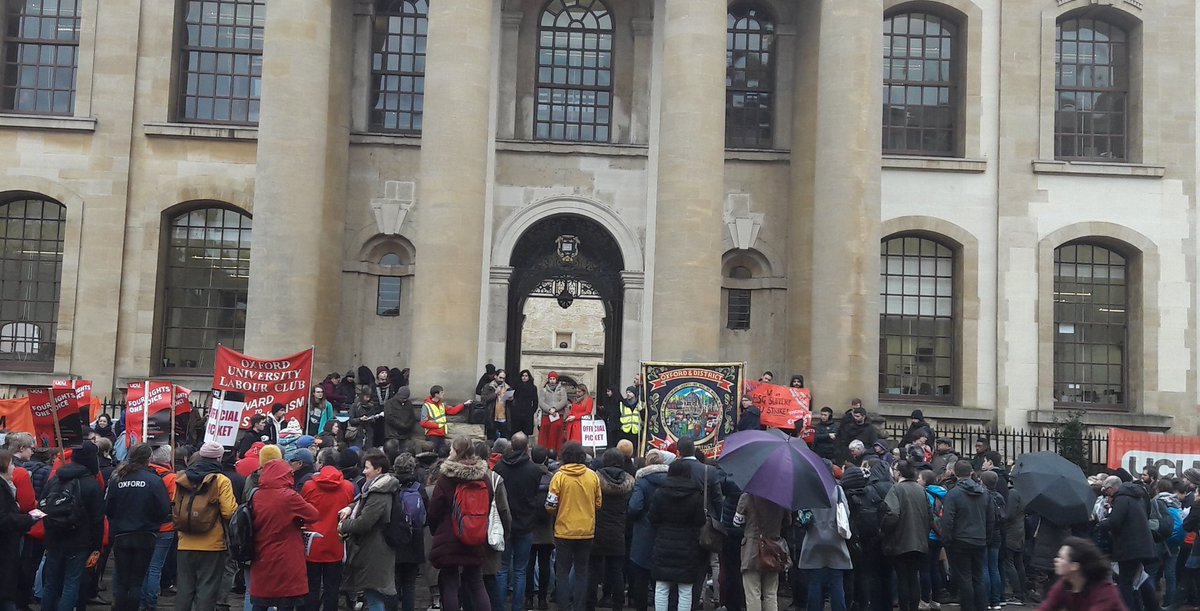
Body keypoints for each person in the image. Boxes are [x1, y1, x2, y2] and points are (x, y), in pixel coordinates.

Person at [428, 437, 493, 611]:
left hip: (449, 536)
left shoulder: (446, 478)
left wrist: (437, 531)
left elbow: (434, 510)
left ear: (457, 452)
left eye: (451, 450)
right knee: (477, 582)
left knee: (450, 583)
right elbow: (489, 502)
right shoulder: (484, 477)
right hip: (475, 534)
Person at [105, 443, 171, 611]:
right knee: (136, 580)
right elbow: (164, 509)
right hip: (145, 534)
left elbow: (109, 508)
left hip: (121, 534)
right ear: (149, 459)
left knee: (122, 579)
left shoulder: (118, 478)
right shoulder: (154, 480)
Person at [174, 441, 239, 611]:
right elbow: (229, 511)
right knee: (207, 589)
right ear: (219, 457)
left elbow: (176, 506)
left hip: (185, 542)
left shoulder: (182, 478)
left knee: (184, 589)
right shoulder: (221, 480)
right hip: (213, 544)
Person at [40, 441, 105, 611]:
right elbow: (97, 519)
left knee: (51, 583)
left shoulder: (55, 479)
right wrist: (96, 547)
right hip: (79, 541)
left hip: (54, 538)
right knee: (71, 582)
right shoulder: (91, 484)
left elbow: (43, 506)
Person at [338, 449, 399, 611]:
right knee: (373, 594)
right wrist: (351, 508)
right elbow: (363, 504)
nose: (363, 471)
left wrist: (343, 526)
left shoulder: (379, 492)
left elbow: (365, 522)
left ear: (378, 470)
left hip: (376, 551)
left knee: (374, 596)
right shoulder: (373, 488)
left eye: (367, 468)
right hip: (373, 549)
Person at [547, 441, 602, 611]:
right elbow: (598, 503)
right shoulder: (592, 476)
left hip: (564, 531)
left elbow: (550, 505)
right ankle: (579, 607)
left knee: (562, 572)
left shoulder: (559, 477)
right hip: (586, 531)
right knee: (582, 571)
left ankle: (563, 606)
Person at [301, 448, 355, 611]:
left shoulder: (309, 486)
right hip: (336, 543)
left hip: (313, 544)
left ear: (321, 464)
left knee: (311, 587)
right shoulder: (348, 487)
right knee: (332, 588)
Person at [494, 432, 543, 611]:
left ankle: (499, 606)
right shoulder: (533, 470)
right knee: (520, 570)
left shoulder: (499, 467)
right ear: (526, 448)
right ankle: (517, 607)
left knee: (503, 568)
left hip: (505, 523)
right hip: (525, 523)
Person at [650, 459, 706, 611]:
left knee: (661, 586)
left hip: (663, 542)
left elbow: (653, 518)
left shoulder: (660, 493)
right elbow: (700, 520)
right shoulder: (696, 495)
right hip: (688, 545)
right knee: (685, 589)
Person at [941, 460, 994, 611]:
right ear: (971, 473)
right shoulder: (984, 493)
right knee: (978, 577)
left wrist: (946, 539)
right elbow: (991, 519)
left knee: (964, 578)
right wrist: (987, 537)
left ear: (955, 474)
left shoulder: (954, 494)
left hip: (960, 540)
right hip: (979, 539)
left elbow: (948, 519)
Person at [1099, 475, 1157, 611]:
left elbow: (1115, 522)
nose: (1105, 493)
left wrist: (1102, 523)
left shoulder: (1122, 499)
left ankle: (1127, 608)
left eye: (1106, 489)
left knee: (1125, 582)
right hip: (1141, 546)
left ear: (1113, 488)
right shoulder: (1135, 497)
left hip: (1129, 548)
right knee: (1139, 579)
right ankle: (1151, 606)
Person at [798, 468, 851, 611]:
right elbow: (846, 513)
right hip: (836, 541)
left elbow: (802, 517)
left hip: (813, 541)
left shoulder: (808, 490)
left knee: (814, 584)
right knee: (837, 584)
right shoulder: (838, 490)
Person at [882, 460, 932, 611]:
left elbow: (892, 515)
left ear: (899, 473)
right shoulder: (921, 489)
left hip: (901, 540)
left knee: (903, 578)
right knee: (913, 577)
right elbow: (930, 515)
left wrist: (883, 530)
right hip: (920, 541)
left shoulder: (896, 489)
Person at [589, 448, 635, 611]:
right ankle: (618, 604)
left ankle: (590, 603)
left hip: (597, 529)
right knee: (616, 569)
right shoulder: (629, 482)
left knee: (593, 569)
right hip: (618, 530)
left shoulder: (594, 478)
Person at [629, 450, 671, 611]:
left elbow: (634, 507)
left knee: (640, 578)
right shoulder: (671, 481)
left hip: (643, 534)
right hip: (664, 533)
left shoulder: (642, 482)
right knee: (661, 581)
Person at [734, 491, 790, 611]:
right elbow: (788, 522)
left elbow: (737, 522)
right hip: (773, 550)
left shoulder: (747, 496)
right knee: (771, 593)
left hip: (751, 550)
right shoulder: (782, 498)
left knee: (753, 592)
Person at [1039, 536, 1126, 611]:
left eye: (1061, 558)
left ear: (1075, 566)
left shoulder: (1105, 591)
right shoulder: (1065, 584)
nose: (1056, 560)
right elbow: (1046, 607)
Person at [0, 449, 39, 610]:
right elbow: (3, 519)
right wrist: (28, 519)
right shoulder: (2, 488)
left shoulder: (6, 485)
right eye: (11, 464)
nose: (14, 468)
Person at [392, 453, 428, 611]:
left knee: (393, 582)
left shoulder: (391, 486)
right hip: (415, 538)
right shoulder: (419, 488)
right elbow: (426, 514)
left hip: (394, 538)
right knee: (409, 584)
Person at [421, 385, 469, 454]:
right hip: (432, 435)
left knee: (443, 454)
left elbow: (452, 410)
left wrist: (464, 404)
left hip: (442, 434)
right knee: (433, 454)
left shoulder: (442, 405)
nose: (443, 394)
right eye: (441, 392)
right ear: (436, 394)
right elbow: (423, 423)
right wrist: (438, 426)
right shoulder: (426, 406)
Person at [538, 372, 569, 454]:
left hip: (558, 415)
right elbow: (541, 402)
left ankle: (557, 453)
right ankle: (543, 453)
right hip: (546, 415)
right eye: (550, 379)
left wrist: (555, 408)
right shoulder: (543, 390)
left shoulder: (562, 390)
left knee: (557, 434)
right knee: (545, 435)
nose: (552, 381)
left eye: (553, 379)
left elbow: (564, 401)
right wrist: (549, 409)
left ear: (556, 379)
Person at [481, 369, 511, 440]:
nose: (502, 380)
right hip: (492, 416)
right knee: (491, 439)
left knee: (503, 440)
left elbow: (512, 405)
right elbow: (484, 400)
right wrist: (495, 394)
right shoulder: (488, 387)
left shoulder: (507, 388)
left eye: (503, 378)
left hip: (503, 417)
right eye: (500, 377)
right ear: (495, 376)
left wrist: (511, 400)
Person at [510, 370, 539, 437]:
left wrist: (531, 412)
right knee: (516, 432)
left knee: (526, 433)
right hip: (517, 413)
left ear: (529, 377)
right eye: (523, 376)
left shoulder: (533, 387)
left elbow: (535, 401)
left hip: (527, 413)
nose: (524, 377)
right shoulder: (516, 386)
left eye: (526, 376)